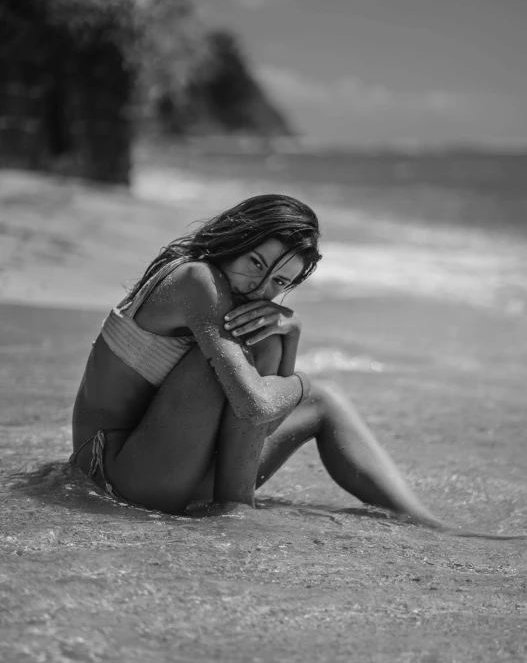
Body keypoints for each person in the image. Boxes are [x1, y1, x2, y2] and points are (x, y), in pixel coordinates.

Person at [70, 194, 522, 537]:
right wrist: (302, 384)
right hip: (117, 473)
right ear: (234, 239)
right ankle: (235, 508)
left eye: (281, 281)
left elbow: (265, 408)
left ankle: (431, 527)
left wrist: (293, 332)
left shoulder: (237, 301)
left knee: (320, 395)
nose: (263, 287)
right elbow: (255, 405)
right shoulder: (197, 280)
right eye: (256, 263)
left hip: (173, 471)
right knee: (260, 361)